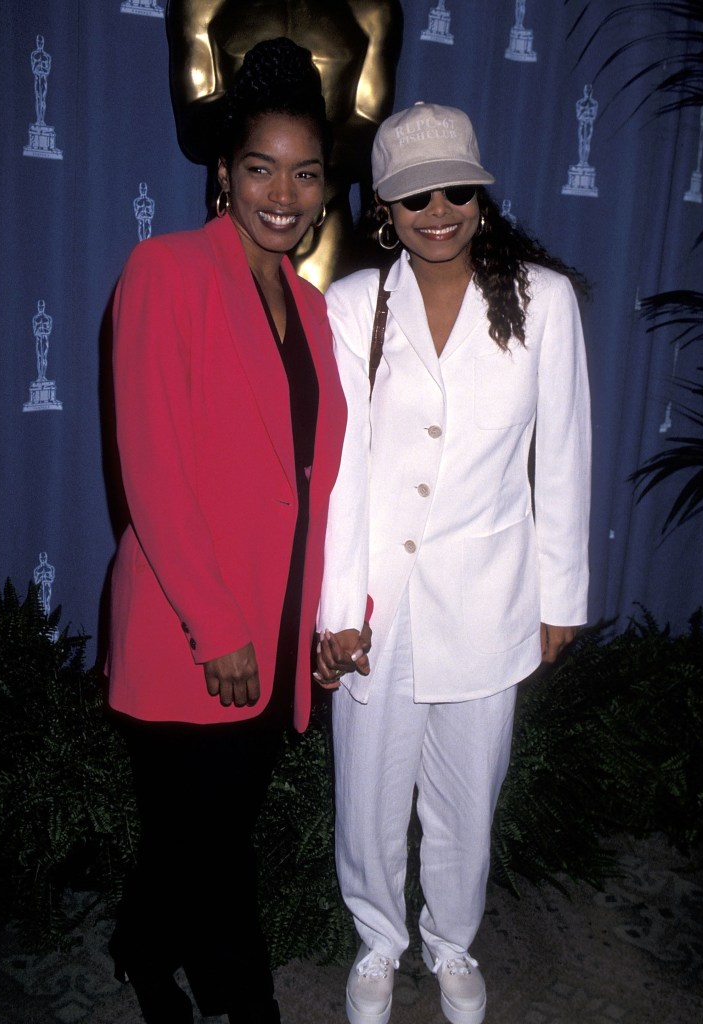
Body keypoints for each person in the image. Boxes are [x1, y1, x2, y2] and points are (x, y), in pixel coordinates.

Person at [316, 102, 591, 1024]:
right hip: (377, 598)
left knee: (469, 795)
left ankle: (452, 943)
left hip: (490, 595)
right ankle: (378, 944)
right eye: (413, 195)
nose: (439, 210)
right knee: (368, 794)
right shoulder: (353, 305)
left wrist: (561, 595)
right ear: (382, 209)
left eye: (456, 190)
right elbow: (342, 470)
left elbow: (564, 458)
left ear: (481, 194)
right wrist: (334, 611)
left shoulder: (542, 301)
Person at [106, 38, 346, 1024]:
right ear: (222, 174)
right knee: (216, 850)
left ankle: (138, 945)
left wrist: (327, 620)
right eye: (259, 167)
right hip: (191, 630)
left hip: (277, 627)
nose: (281, 192)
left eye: (304, 172)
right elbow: (152, 470)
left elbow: (323, 483)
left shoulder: (313, 310)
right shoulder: (164, 271)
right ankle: (247, 1003)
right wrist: (219, 625)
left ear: (328, 186)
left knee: (192, 832)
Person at [166, 0, 402, 288]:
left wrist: (301, 138)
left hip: (324, 222)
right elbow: (195, 124)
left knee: (321, 325)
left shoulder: (373, 9)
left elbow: (373, 134)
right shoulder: (203, 4)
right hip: (239, 218)